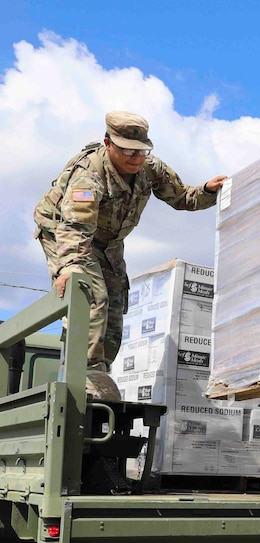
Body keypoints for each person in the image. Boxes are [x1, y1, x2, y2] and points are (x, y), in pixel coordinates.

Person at [33, 111, 227, 391]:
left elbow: (182, 196)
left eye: (141, 151)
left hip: (108, 241)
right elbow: (74, 228)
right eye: (127, 151)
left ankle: (99, 372)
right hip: (64, 231)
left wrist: (208, 190)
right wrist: (69, 268)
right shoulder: (88, 175)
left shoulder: (150, 168)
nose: (135, 158)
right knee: (89, 294)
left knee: (114, 302)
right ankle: (82, 378)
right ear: (108, 143)